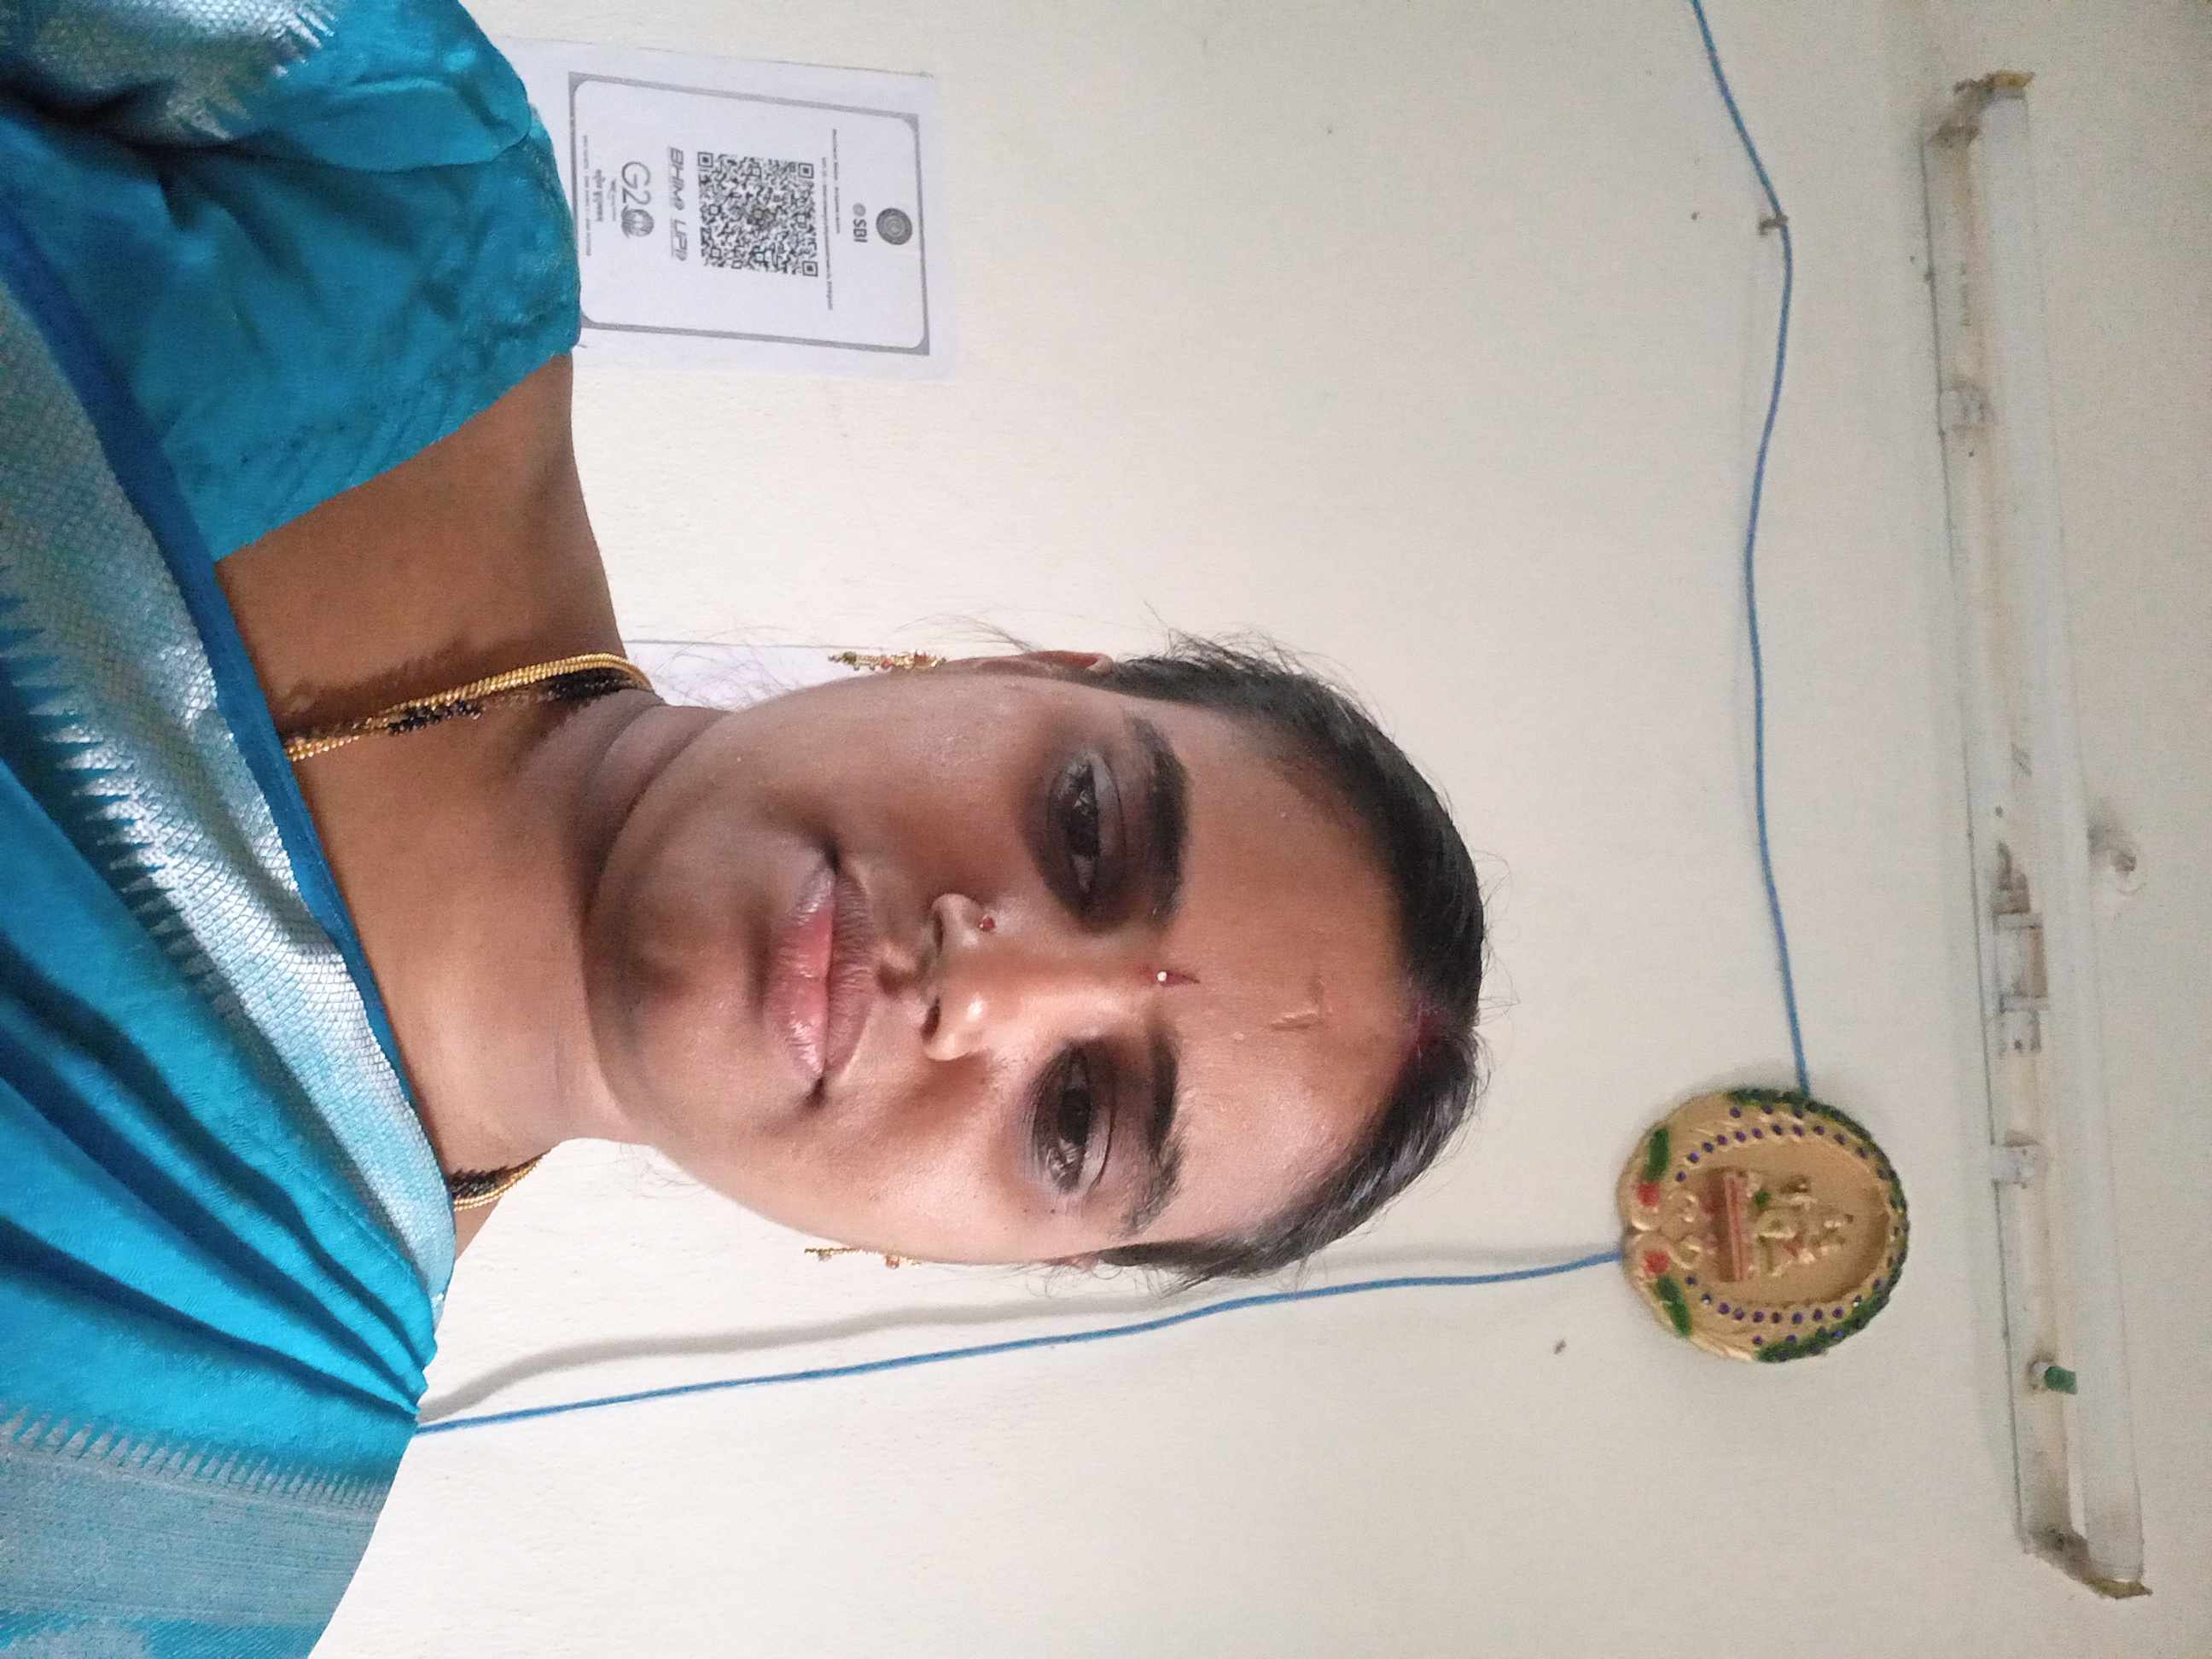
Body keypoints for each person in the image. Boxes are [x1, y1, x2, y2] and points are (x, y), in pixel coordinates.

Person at [0, 1, 1485, 1651]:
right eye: (1085, 828)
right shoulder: (394, 179)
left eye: (1077, 1119)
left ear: (974, 1253)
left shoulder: (169, 1515)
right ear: (1016, 673)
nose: (979, 986)